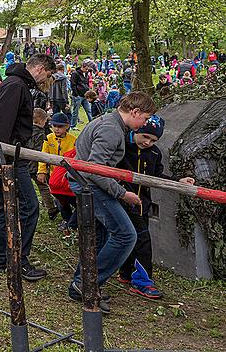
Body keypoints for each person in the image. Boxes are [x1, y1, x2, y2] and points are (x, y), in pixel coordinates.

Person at [67, 92, 156, 313]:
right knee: (126, 235)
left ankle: (82, 282)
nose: (144, 124)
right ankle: (86, 283)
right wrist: (122, 193)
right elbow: (95, 169)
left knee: (100, 237)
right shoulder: (111, 130)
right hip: (89, 185)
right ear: (134, 112)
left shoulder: (108, 122)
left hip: (87, 183)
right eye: (144, 118)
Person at [0, 54, 55, 280]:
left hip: (10, 155)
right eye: (47, 74)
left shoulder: (17, 84)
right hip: (10, 158)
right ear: (40, 68)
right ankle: (17, 259)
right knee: (29, 206)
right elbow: (0, 124)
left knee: (4, 205)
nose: (46, 79)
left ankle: (2, 257)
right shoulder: (16, 86)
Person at [116, 115, 194, 299]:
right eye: (145, 137)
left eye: (153, 140)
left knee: (133, 237)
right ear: (136, 130)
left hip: (143, 204)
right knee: (142, 239)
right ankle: (142, 282)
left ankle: (126, 273)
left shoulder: (155, 153)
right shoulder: (122, 148)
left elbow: (157, 175)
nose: (148, 142)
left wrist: (178, 181)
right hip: (123, 200)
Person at [26, 108, 57, 219]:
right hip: (36, 165)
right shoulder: (41, 135)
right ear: (41, 121)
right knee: (44, 186)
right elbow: (41, 151)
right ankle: (51, 208)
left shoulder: (25, 131)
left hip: (25, 165)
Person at [70, 60, 92, 127]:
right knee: (75, 112)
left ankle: (92, 123)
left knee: (89, 110)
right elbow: (73, 85)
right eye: (86, 69)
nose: (87, 70)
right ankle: (73, 125)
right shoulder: (75, 74)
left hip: (85, 95)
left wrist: (88, 91)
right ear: (82, 67)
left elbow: (86, 83)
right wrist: (76, 94)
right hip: (78, 95)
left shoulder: (86, 74)